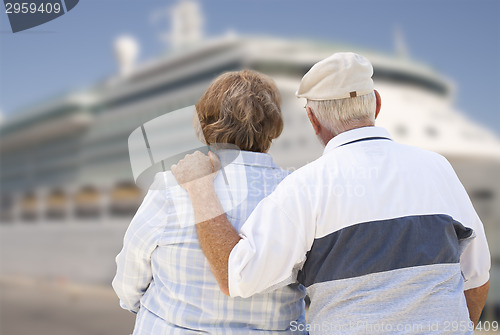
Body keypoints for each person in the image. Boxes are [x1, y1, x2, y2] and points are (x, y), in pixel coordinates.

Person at [171, 52, 491, 334]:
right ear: (376, 103)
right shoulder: (437, 168)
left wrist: (201, 190)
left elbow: (236, 276)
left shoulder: (305, 186)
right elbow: (476, 280)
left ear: (312, 119)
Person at [112, 70, 307, 334]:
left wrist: (145, 310)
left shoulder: (170, 187)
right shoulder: (298, 191)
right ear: (273, 127)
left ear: (203, 125)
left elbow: (130, 276)